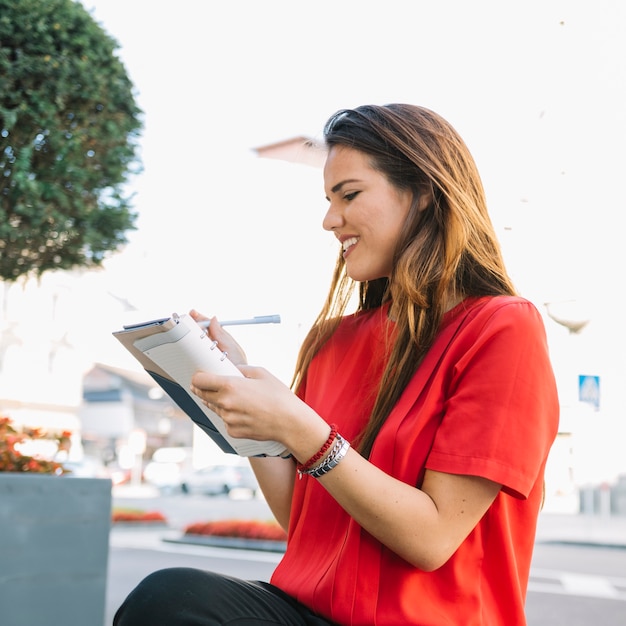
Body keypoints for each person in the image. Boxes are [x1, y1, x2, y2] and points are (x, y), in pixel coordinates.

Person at [113, 104, 559, 625]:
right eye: (329, 200)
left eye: (349, 195)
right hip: (311, 610)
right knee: (169, 601)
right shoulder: (332, 342)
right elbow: (301, 521)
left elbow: (434, 538)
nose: (329, 220)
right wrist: (239, 396)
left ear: (422, 193)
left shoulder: (502, 329)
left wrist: (304, 432)